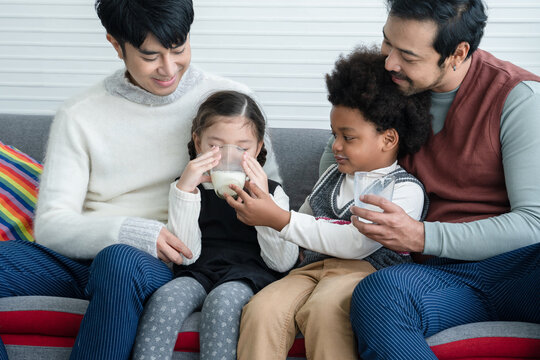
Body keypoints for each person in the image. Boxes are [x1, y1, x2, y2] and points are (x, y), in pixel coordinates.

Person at [0, 1, 281, 359]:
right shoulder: (80, 115)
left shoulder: (229, 105)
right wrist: (128, 231)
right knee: (114, 254)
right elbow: (52, 226)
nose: (168, 68)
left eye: (178, 49)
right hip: (86, 254)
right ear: (116, 45)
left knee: (119, 261)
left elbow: (270, 200)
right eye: (151, 56)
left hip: (163, 262)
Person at [316, 1, 540, 359]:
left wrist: (421, 235)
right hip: (441, 278)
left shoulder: (518, 97)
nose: (390, 62)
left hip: (519, 268)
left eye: (408, 55)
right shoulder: (386, 82)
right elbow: (338, 157)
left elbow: (534, 224)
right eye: (387, 43)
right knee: (378, 295)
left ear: (457, 54)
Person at [231, 47, 432, 360]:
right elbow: (302, 226)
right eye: (333, 134)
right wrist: (270, 217)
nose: (335, 145)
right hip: (309, 269)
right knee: (261, 308)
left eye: (348, 137)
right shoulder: (331, 177)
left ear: (388, 139)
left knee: (326, 311)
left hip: (363, 273)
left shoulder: (404, 190)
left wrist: (280, 219)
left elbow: (356, 244)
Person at [132, 90, 298, 360]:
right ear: (198, 142)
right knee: (165, 299)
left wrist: (265, 201)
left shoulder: (273, 193)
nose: (227, 156)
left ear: (257, 149)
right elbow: (186, 256)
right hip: (198, 270)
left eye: (242, 148)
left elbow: (281, 263)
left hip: (249, 273)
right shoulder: (186, 187)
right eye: (216, 146)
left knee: (222, 302)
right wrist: (186, 190)